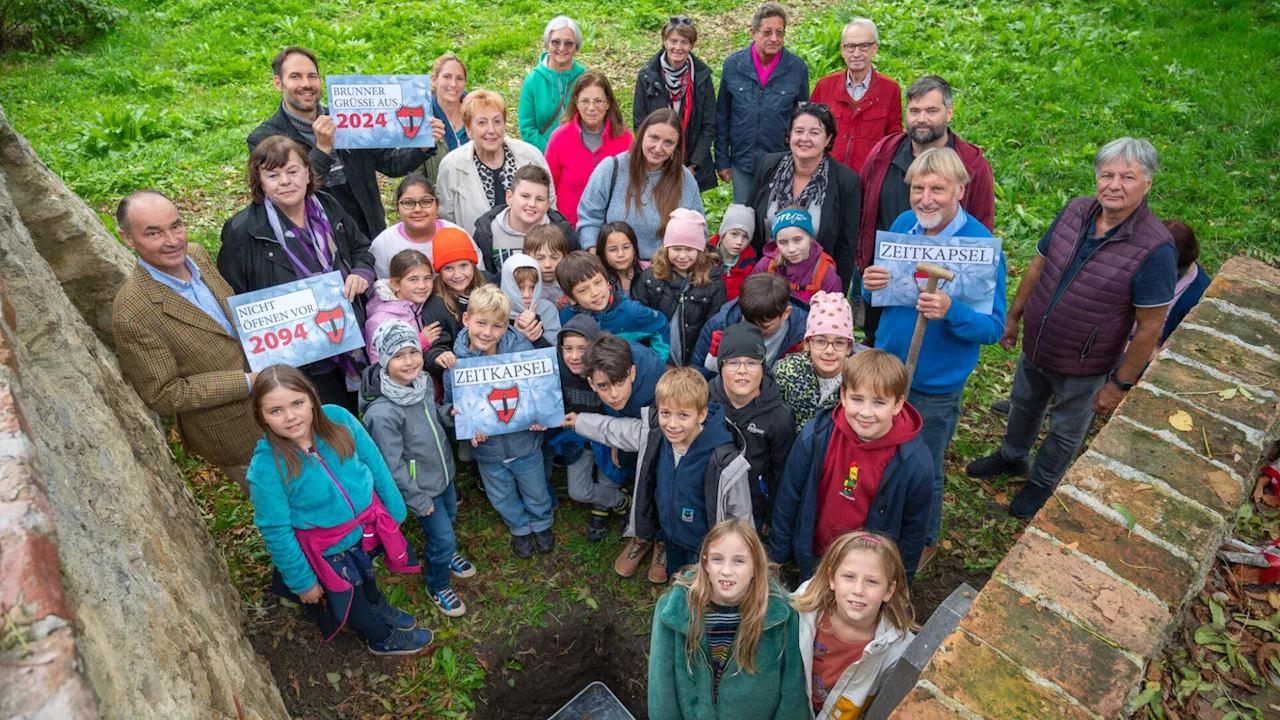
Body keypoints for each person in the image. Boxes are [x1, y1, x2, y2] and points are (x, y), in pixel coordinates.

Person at [968, 137, 1178, 518]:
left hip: (1085, 364)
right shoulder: (1075, 211)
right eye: (1107, 174)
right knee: (1024, 405)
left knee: (1066, 429)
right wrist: (1014, 316)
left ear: (1147, 183)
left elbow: (1149, 328)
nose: (1114, 185)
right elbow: (1037, 265)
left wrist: (1119, 385)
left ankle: (1042, 482)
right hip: (1038, 343)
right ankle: (1012, 456)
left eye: (1127, 177)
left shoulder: (1155, 250)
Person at [860, 147, 1006, 567]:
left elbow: (993, 329)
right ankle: (878, 518)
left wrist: (952, 310)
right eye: (918, 188)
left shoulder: (980, 245)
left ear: (960, 189)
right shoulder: (906, 226)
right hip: (889, 369)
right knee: (882, 448)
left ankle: (924, 538)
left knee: (925, 462)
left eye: (937, 189)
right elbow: (883, 293)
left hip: (936, 382)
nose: (925, 198)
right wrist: (871, 285)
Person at [247, 364, 431, 655]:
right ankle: (381, 638)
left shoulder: (339, 419)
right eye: (276, 411)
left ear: (311, 396)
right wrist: (303, 582)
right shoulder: (267, 468)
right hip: (326, 550)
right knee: (350, 598)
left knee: (367, 575)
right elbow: (276, 531)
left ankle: (378, 604)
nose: (291, 416)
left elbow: (374, 462)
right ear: (261, 415)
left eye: (297, 403)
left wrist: (394, 511)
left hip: (363, 529)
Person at [112, 190, 259, 494]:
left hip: (278, 402)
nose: (172, 240)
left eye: (176, 226)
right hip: (234, 429)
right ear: (127, 239)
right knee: (285, 510)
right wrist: (247, 382)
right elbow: (164, 394)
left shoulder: (197, 255)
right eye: (154, 233)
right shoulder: (132, 312)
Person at [218, 135, 373, 412]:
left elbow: (361, 248)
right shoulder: (242, 230)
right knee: (323, 420)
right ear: (260, 182)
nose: (286, 181)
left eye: (292, 171)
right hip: (297, 354)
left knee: (355, 416)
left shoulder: (328, 206)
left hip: (348, 334)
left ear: (307, 171)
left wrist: (361, 272)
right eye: (273, 175)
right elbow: (232, 295)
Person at [565, 367, 753, 578]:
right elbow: (616, 429)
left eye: (683, 415)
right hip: (670, 535)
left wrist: (738, 562)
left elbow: (740, 517)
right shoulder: (655, 435)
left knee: (702, 587)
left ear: (702, 414)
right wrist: (579, 422)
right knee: (676, 577)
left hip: (705, 546)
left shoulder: (725, 462)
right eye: (665, 413)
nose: (672, 424)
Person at [248, 46, 445, 239]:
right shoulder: (265, 139)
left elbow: (391, 164)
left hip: (366, 232)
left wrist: (422, 146)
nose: (306, 84)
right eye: (295, 76)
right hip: (315, 240)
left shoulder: (350, 118)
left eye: (312, 76)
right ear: (278, 83)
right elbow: (289, 192)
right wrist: (322, 149)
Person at [769, 350, 931, 582]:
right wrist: (777, 555)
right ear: (843, 396)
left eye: (879, 402)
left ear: (897, 405)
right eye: (857, 399)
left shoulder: (915, 462)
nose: (866, 413)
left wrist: (901, 582)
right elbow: (789, 495)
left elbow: (914, 531)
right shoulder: (816, 436)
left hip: (867, 571)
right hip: (816, 556)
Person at [858, 75, 995, 346]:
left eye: (932, 111)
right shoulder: (884, 152)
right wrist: (865, 270)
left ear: (949, 112)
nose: (922, 119)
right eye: (915, 111)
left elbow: (980, 236)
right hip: (889, 286)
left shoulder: (973, 165)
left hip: (944, 294)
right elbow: (864, 210)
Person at [360, 322, 476, 617]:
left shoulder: (421, 382)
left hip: (443, 474)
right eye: (399, 356)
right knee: (442, 537)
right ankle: (437, 584)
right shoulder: (382, 413)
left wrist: (446, 415)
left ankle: (446, 554)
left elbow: (430, 419)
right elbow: (391, 466)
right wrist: (418, 500)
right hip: (420, 488)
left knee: (450, 518)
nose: (409, 361)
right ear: (384, 361)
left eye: (414, 351)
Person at [646, 518, 807, 720]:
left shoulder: (780, 614)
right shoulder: (673, 610)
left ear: (756, 566)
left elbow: (792, 689)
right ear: (705, 563)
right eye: (717, 559)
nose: (726, 571)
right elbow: (661, 688)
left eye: (739, 561)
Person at [443, 285, 556, 558]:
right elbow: (451, 406)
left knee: (537, 490)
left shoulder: (523, 353)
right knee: (501, 497)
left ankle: (541, 524)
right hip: (487, 451)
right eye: (481, 323)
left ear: (506, 327)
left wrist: (541, 416)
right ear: (466, 320)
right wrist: (464, 426)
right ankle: (518, 528)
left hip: (525, 444)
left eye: (496, 326)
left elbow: (540, 391)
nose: (487, 332)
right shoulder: (456, 366)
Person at [792, 532, 917, 719]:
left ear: (888, 591)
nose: (858, 590)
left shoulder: (898, 648)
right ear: (832, 579)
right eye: (849, 577)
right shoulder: (804, 610)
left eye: (872, 582)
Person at [746, 104, 862, 291]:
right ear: (789, 135)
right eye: (799, 131)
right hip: (765, 275)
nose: (805, 139)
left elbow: (846, 245)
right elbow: (751, 217)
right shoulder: (769, 165)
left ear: (828, 139)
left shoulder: (846, 181)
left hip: (813, 283)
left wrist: (837, 296)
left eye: (815, 133)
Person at [582, 334, 668, 581]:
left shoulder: (656, 379)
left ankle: (661, 541)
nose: (613, 394)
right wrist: (616, 437)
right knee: (635, 474)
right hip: (628, 429)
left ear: (632, 373)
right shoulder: (608, 381)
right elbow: (612, 404)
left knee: (660, 481)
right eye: (603, 387)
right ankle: (642, 535)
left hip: (659, 432)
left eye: (619, 382)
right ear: (591, 383)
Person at [576, 108, 706, 262]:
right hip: (615, 270)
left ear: (676, 147)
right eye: (654, 138)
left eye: (668, 143)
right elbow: (589, 217)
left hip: (664, 273)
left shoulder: (684, 179)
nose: (658, 148)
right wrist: (594, 257)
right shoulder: (611, 168)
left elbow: (698, 229)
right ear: (642, 134)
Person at [715, 3, 810, 204]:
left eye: (779, 32)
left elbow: (802, 121)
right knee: (743, 221)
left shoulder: (797, 68)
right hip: (742, 161)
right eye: (767, 32)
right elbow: (722, 115)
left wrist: (800, 161)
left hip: (781, 162)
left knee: (774, 222)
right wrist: (722, 160)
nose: (774, 39)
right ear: (753, 33)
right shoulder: (734, 65)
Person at [707, 322, 796, 527]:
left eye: (751, 363)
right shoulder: (706, 399)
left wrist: (771, 516)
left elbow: (780, 474)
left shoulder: (779, 417)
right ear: (720, 367)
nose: (742, 371)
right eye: (733, 363)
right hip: (711, 492)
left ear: (763, 368)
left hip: (753, 501)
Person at [554, 317, 632, 542]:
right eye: (568, 349)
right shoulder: (558, 369)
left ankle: (600, 510)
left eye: (583, 349)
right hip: (577, 439)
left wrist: (618, 441)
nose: (575, 356)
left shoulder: (606, 370)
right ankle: (620, 501)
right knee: (578, 490)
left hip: (608, 438)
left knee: (609, 476)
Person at [437, 90, 556, 236]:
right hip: (475, 254)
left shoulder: (531, 157)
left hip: (530, 250)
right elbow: (447, 223)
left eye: (497, 121)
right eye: (482, 122)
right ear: (468, 130)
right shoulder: (452, 166)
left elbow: (550, 208)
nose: (491, 130)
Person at [633, 15, 718, 193]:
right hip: (656, 162)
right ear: (664, 42)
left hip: (690, 163)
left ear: (692, 45)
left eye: (684, 42)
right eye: (673, 41)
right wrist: (656, 160)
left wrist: (693, 166)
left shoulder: (701, 77)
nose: (678, 47)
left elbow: (709, 125)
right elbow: (640, 122)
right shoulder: (647, 76)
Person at [632, 209, 727, 366]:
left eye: (689, 249)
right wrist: (656, 361)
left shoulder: (713, 283)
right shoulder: (651, 278)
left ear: (700, 249)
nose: (682, 256)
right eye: (676, 249)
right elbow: (639, 322)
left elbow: (713, 328)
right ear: (666, 248)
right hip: (657, 361)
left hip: (695, 363)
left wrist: (695, 366)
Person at [809, 19, 902, 175]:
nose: (856, 53)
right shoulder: (824, 86)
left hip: (867, 180)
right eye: (850, 46)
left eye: (864, 46)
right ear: (842, 50)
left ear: (875, 48)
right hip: (826, 178)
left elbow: (893, 141)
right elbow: (810, 132)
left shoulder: (890, 90)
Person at [546, 71, 633, 225]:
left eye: (598, 101)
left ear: (608, 103)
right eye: (585, 101)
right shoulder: (559, 138)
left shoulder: (625, 139)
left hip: (611, 232)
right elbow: (547, 185)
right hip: (568, 229)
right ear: (576, 103)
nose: (591, 108)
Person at [556, 250, 671, 361]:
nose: (595, 293)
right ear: (571, 298)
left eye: (598, 282)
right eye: (583, 290)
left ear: (607, 281)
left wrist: (655, 364)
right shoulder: (566, 318)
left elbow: (660, 325)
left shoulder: (631, 312)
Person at [693, 273, 809, 377]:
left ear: (785, 313)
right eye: (749, 324)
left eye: (765, 327)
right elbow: (698, 372)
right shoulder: (720, 325)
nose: (756, 333)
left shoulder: (805, 331)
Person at [472, 164, 579, 276]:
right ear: (509, 197)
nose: (532, 204)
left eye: (539, 199)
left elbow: (575, 275)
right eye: (525, 196)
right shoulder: (487, 232)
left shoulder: (564, 233)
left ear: (548, 204)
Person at [775, 292, 856, 434]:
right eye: (820, 341)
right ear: (807, 343)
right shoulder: (786, 371)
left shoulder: (857, 379)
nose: (829, 350)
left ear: (849, 348)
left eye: (839, 342)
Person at [419, 229, 493, 378]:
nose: (457, 275)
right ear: (439, 271)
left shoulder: (489, 283)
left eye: (463, 266)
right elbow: (435, 348)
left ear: (473, 264)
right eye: (448, 268)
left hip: (497, 361)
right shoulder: (436, 305)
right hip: (464, 374)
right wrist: (438, 357)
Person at [369, 175, 470, 279]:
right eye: (408, 203)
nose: (417, 209)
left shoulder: (457, 235)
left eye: (426, 202)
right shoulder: (383, 243)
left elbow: (477, 277)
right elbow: (380, 287)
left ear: (437, 205)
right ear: (397, 207)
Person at [519, 16, 588, 153]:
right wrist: (551, 153)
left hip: (580, 154)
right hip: (544, 156)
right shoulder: (532, 81)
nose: (562, 48)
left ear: (576, 47)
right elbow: (527, 127)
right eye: (556, 42)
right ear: (547, 44)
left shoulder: (585, 78)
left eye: (568, 43)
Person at [363, 249, 443, 365]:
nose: (422, 286)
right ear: (395, 284)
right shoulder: (379, 321)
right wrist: (420, 342)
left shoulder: (431, 305)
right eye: (413, 279)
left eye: (427, 278)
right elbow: (379, 365)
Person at [752, 207, 842, 303]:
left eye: (797, 240)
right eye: (783, 242)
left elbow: (834, 313)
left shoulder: (825, 274)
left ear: (811, 238)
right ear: (776, 243)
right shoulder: (766, 266)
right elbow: (751, 300)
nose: (791, 249)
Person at [418, 52, 470, 183]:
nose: (453, 84)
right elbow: (414, 174)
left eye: (459, 78)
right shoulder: (420, 117)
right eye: (447, 77)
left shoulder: (477, 113)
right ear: (434, 80)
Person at [500, 252, 563, 348]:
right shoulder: (496, 313)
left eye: (533, 288)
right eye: (519, 288)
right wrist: (518, 337)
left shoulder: (547, 310)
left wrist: (537, 338)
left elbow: (556, 354)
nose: (527, 295)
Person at [710, 204, 757, 301]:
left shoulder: (750, 264)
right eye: (734, 234)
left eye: (745, 237)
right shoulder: (705, 255)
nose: (739, 242)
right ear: (723, 233)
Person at [526, 224, 574, 308]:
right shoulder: (524, 289)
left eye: (554, 258)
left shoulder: (573, 283)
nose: (547, 265)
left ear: (565, 256)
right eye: (539, 258)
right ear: (527, 257)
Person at [596, 221, 643, 297]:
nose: (621, 254)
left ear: (634, 249)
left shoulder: (647, 275)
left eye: (626, 247)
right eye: (612, 250)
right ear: (603, 254)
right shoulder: (598, 281)